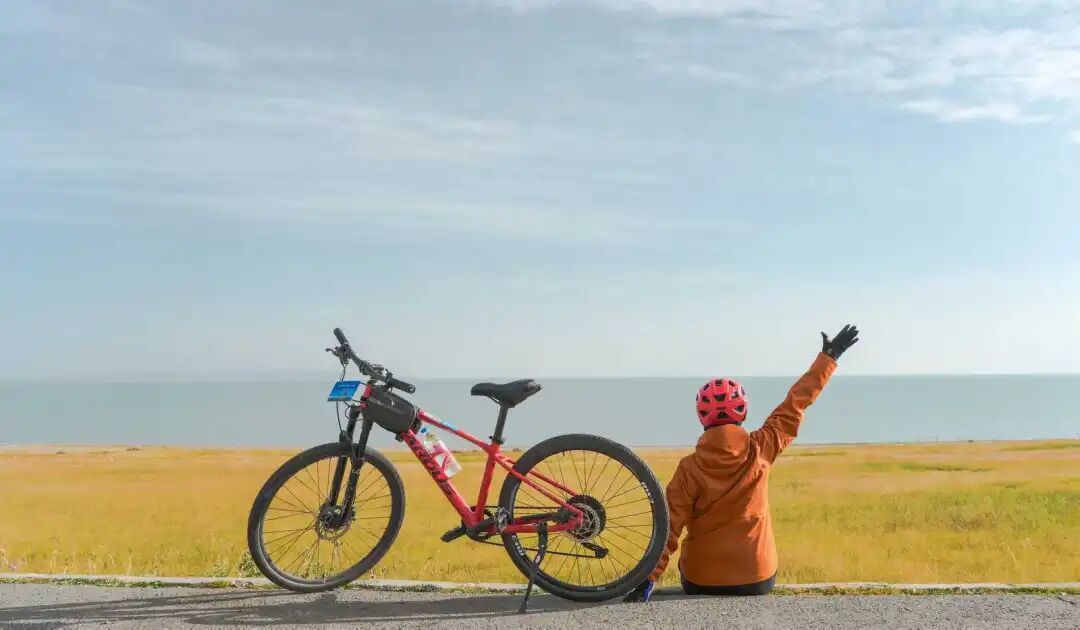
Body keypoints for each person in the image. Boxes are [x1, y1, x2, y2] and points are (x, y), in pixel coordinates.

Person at [626, 325, 859, 602]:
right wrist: (828, 358)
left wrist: (647, 581)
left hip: (702, 580)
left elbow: (669, 530)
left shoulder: (688, 469)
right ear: (743, 411)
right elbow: (795, 404)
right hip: (758, 578)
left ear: (702, 417)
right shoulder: (763, 447)